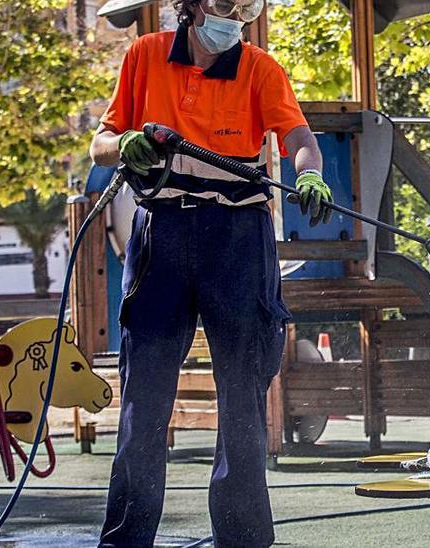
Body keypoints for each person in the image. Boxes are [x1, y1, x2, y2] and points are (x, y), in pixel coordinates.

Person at [90, 1, 330, 546]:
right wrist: (121, 144)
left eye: (248, 5)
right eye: (227, 4)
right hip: (162, 233)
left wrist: (310, 174)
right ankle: (125, 539)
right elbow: (100, 143)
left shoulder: (260, 67)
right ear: (193, 7)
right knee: (143, 396)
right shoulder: (145, 55)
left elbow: (299, 140)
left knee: (243, 396)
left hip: (237, 238)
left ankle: (242, 539)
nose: (237, 15)